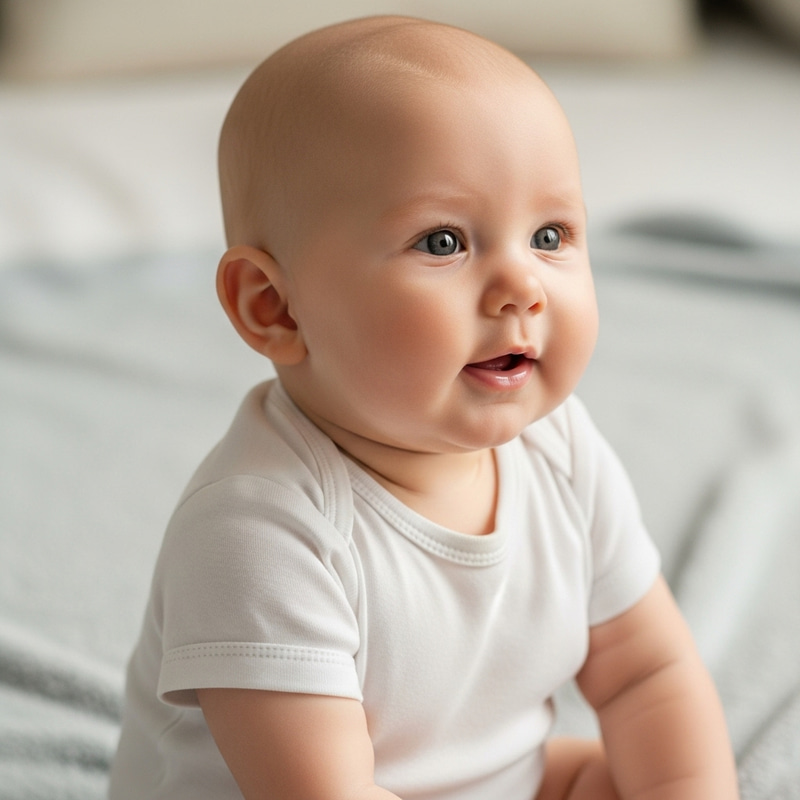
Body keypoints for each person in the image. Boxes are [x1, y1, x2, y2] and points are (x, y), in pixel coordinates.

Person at [109, 15, 739, 800]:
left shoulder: (560, 449)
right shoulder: (259, 531)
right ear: (276, 308)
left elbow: (647, 672)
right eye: (444, 243)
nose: (523, 286)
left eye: (550, 234)